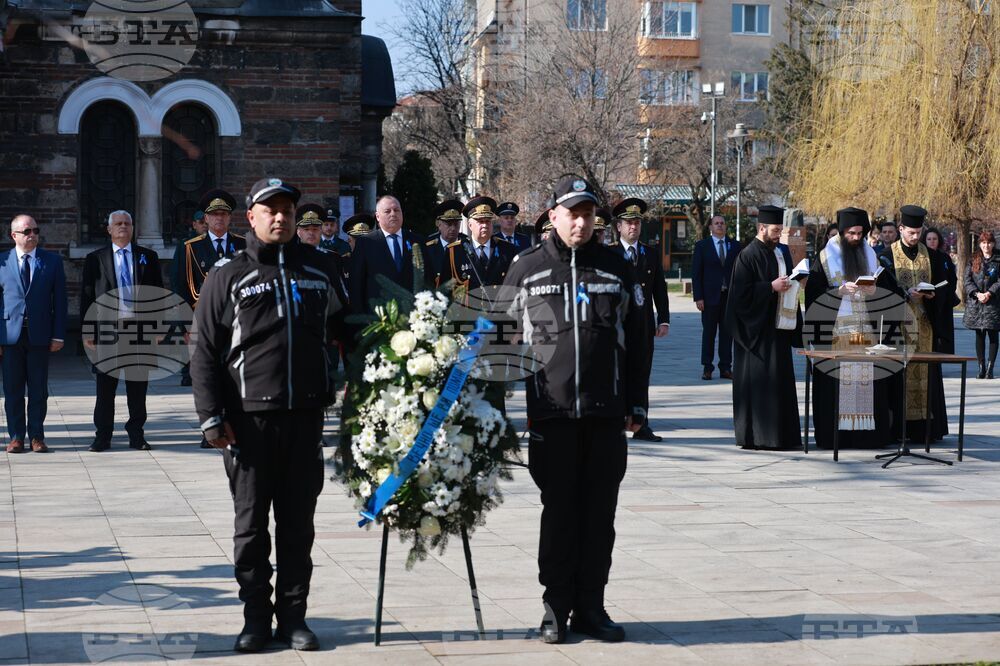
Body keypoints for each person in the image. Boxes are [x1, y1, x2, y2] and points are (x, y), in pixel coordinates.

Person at [191, 178, 346, 653]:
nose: (280, 218)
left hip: (305, 418)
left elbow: (349, 330)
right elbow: (204, 351)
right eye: (270, 210)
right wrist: (211, 417)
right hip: (248, 423)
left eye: (287, 210)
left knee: (298, 526)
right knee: (252, 528)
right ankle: (255, 618)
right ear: (251, 217)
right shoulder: (227, 275)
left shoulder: (320, 269)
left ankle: (294, 618)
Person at [503, 175, 645, 645]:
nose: (581, 222)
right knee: (560, 513)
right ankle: (555, 607)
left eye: (587, 214)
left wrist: (637, 403)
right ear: (553, 216)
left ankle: (591, 607)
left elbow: (637, 339)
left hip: (606, 414)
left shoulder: (615, 268)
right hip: (552, 415)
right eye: (572, 214)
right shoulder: (527, 268)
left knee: (600, 516)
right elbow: (499, 338)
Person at [804, 207, 900, 449]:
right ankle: (836, 437)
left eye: (860, 233)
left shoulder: (870, 255)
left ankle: (867, 437)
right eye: (851, 233)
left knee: (867, 384)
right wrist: (837, 291)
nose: (856, 238)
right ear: (842, 231)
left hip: (866, 332)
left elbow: (888, 291)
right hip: (835, 334)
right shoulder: (825, 258)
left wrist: (874, 291)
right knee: (837, 386)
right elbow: (812, 294)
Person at [80, 211, 163, 452]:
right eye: (118, 224)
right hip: (108, 331)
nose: (123, 227)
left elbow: (159, 293)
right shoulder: (95, 259)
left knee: (138, 389)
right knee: (105, 389)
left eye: (127, 223)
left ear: (133, 228)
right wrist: (88, 331)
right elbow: (87, 297)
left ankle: (137, 435)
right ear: (109, 229)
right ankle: (103, 436)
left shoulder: (148, 257)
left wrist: (158, 327)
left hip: (140, 331)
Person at [725, 205, 803, 451]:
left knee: (780, 383)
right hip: (756, 334)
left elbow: (785, 282)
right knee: (760, 385)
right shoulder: (747, 255)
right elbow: (739, 296)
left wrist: (793, 282)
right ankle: (758, 436)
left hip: (778, 328)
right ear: (762, 228)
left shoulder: (779, 252)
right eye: (775, 230)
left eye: (780, 230)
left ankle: (782, 435)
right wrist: (770, 287)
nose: (779, 235)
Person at [877, 205, 955, 442]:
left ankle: (925, 429)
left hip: (925, 326)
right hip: (898, 327)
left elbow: (945, 287)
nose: (915, 236)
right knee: (898, 377)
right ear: (901, 229)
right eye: (911, 232)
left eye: (918, 232)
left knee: (926, 375)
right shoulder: (886, 256)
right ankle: (898, 429)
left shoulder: (932, 256)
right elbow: (881, 291)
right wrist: (903, 294)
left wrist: (933, 295)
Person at [0, 215, 67, 454]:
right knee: (13, 390)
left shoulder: (52, 261)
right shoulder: (2, 261)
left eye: (35, 231)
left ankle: (37, 436)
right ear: (14, 235)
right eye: (27, 231)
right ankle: (16, 437)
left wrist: (59, 335)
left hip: (39, 335)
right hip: (10, 336)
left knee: (38, 390)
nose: (32, 235)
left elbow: (60, 301)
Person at [612, 198, 669, 442]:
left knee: (641, 375)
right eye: (628, 223)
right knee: (616, 374)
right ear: (619, 227)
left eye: (636, 222)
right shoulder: (610, 254)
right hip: (617, 326)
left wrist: (663, 319)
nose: (633, 227)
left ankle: (641, 423)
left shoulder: (651, 253)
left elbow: (660, 289)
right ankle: (616, 422)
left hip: (643, 326)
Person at [348, 195, 425, 315]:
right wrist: (361, 317)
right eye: (387, 211)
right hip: (378, 316)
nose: (393, 214)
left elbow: (427, 278)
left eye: (397, 210)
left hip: (413, 315)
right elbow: (357, 283)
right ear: (378, 216)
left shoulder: (417, 241)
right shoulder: (366, 243)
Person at [180, 189, 247, 308]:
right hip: (203, 310)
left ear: (229, 217)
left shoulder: (243, 244)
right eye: (214, 214)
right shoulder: (191, 247)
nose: (219, 218)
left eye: (223, 213)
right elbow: (183, 287)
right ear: (206, 218)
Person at [441, 196, 517, 300]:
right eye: (480, 221)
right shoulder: (454, 251)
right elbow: (444, 291)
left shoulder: (507, 249)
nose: (485, 225)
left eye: (488, 221)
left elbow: (514, 286)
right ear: (470, 225)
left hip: (498, 309)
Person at [692, 215, 739, 381]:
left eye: (722, 223)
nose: (719, 225)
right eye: (716, 223)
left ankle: (726, 367)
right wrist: (698, 297)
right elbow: (696, 273)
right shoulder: (702, 246)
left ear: (725, 226)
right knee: (709, 334)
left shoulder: (735, 246)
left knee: (727, 334)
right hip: (709, 298)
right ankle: (707, 367)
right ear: (711, 227)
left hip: (729, 297)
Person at [171, 210, 207, 387]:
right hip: (189, 298)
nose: (204, 225)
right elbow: (177, 275)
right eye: (201, 222)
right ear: (194, 224)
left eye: (206, 221)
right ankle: (187, 373)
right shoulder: (185, 245)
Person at [963, 231, 1000, 379]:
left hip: (993, 302)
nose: (986, 246)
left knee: (993, 334)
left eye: (989, 242)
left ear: (993, 244)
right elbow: (967, 280)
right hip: (977, 303)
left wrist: (989, 293)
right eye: (984, 243)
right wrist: (977, 294)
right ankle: (981, 367)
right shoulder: (973, 259)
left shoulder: (998, 259)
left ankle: (990, 368)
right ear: (980, 244)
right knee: (979, 334)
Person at [423, 200, 465, 286]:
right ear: (438, 224)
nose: (453, 228)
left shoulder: (466, 245)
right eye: (449, 224)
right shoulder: (428, 247)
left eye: (456, 224)